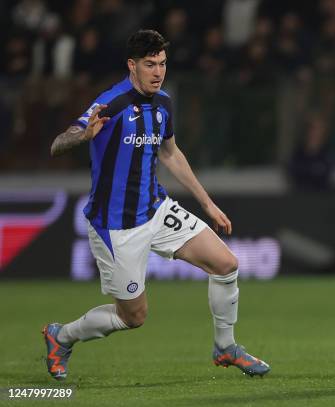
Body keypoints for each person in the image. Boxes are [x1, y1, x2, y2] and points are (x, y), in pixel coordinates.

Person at [43, 29, 270, 380]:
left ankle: (226, 348)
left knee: (226, 264)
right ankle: (62, 336)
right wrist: (82, 135)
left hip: (156, 209)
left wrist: (206, 203)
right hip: (115, 225)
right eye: (150, 64)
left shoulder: (163, 102)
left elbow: (170, 153)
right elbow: (58, 143)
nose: (158, 72)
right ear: (131, 65)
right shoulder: (111, 103)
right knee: (132, 317)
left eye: (162, 64)